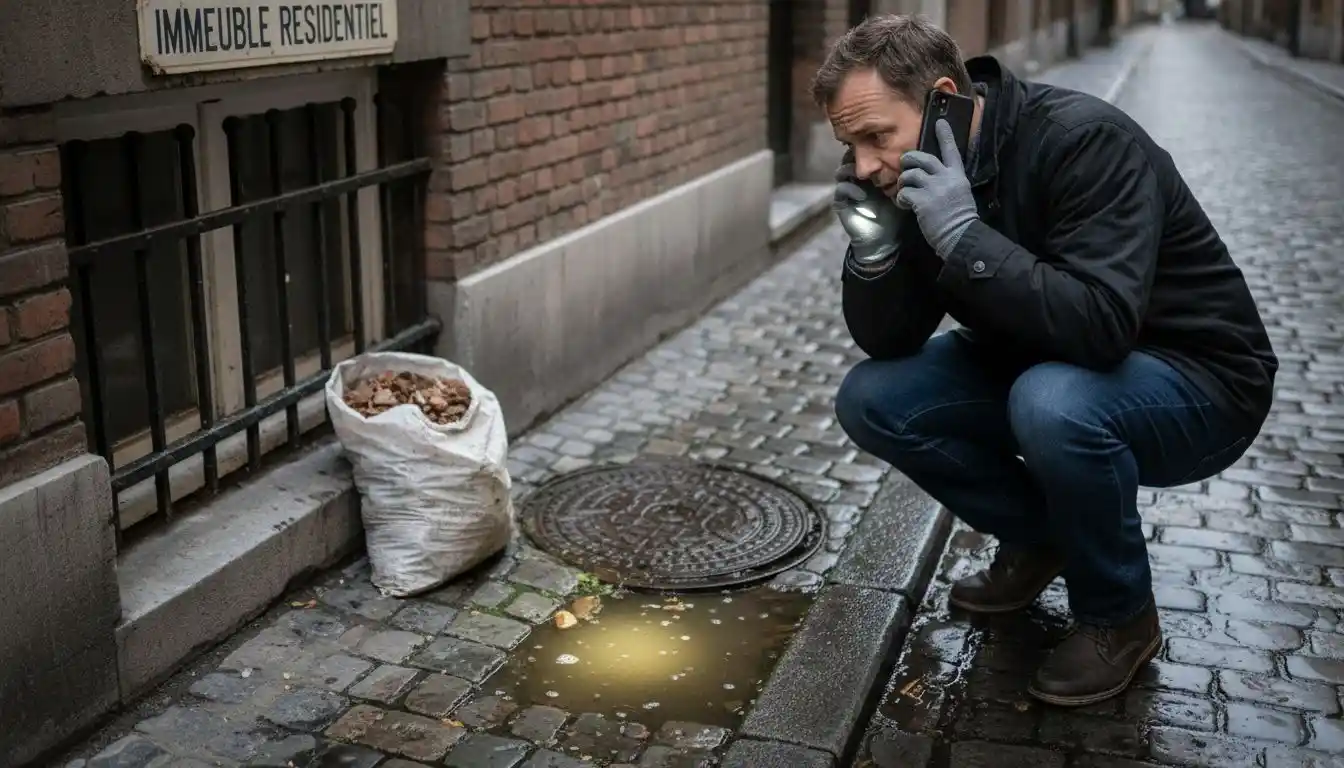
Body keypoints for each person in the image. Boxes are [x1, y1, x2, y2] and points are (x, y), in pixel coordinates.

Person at [816, 15, 1277, 707]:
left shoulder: (1085, 141)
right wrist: (875, 251)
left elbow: (1102, 326)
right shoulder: (919, 171)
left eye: (876, 136)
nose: (862, 166)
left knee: (1052, 403)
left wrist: (963, 236)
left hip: (1199, 381)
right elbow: (889, 342)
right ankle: (1040, 541)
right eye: (849, 146)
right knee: (872, 398)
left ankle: (1120, 616)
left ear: (944, 101)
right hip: (1040, 359)